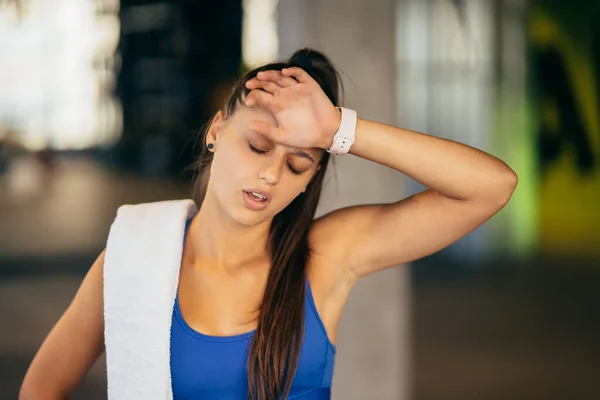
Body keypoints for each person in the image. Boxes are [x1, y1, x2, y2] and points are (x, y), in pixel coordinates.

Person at [20, 48, 518, 400]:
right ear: (217, 130)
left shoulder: (324, 258)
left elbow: (491, 187)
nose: (270, 172)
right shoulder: (132, 259)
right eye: (257, 145)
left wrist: (337, 129)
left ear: (311, 178)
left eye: (298, 164)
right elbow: (42, 387)